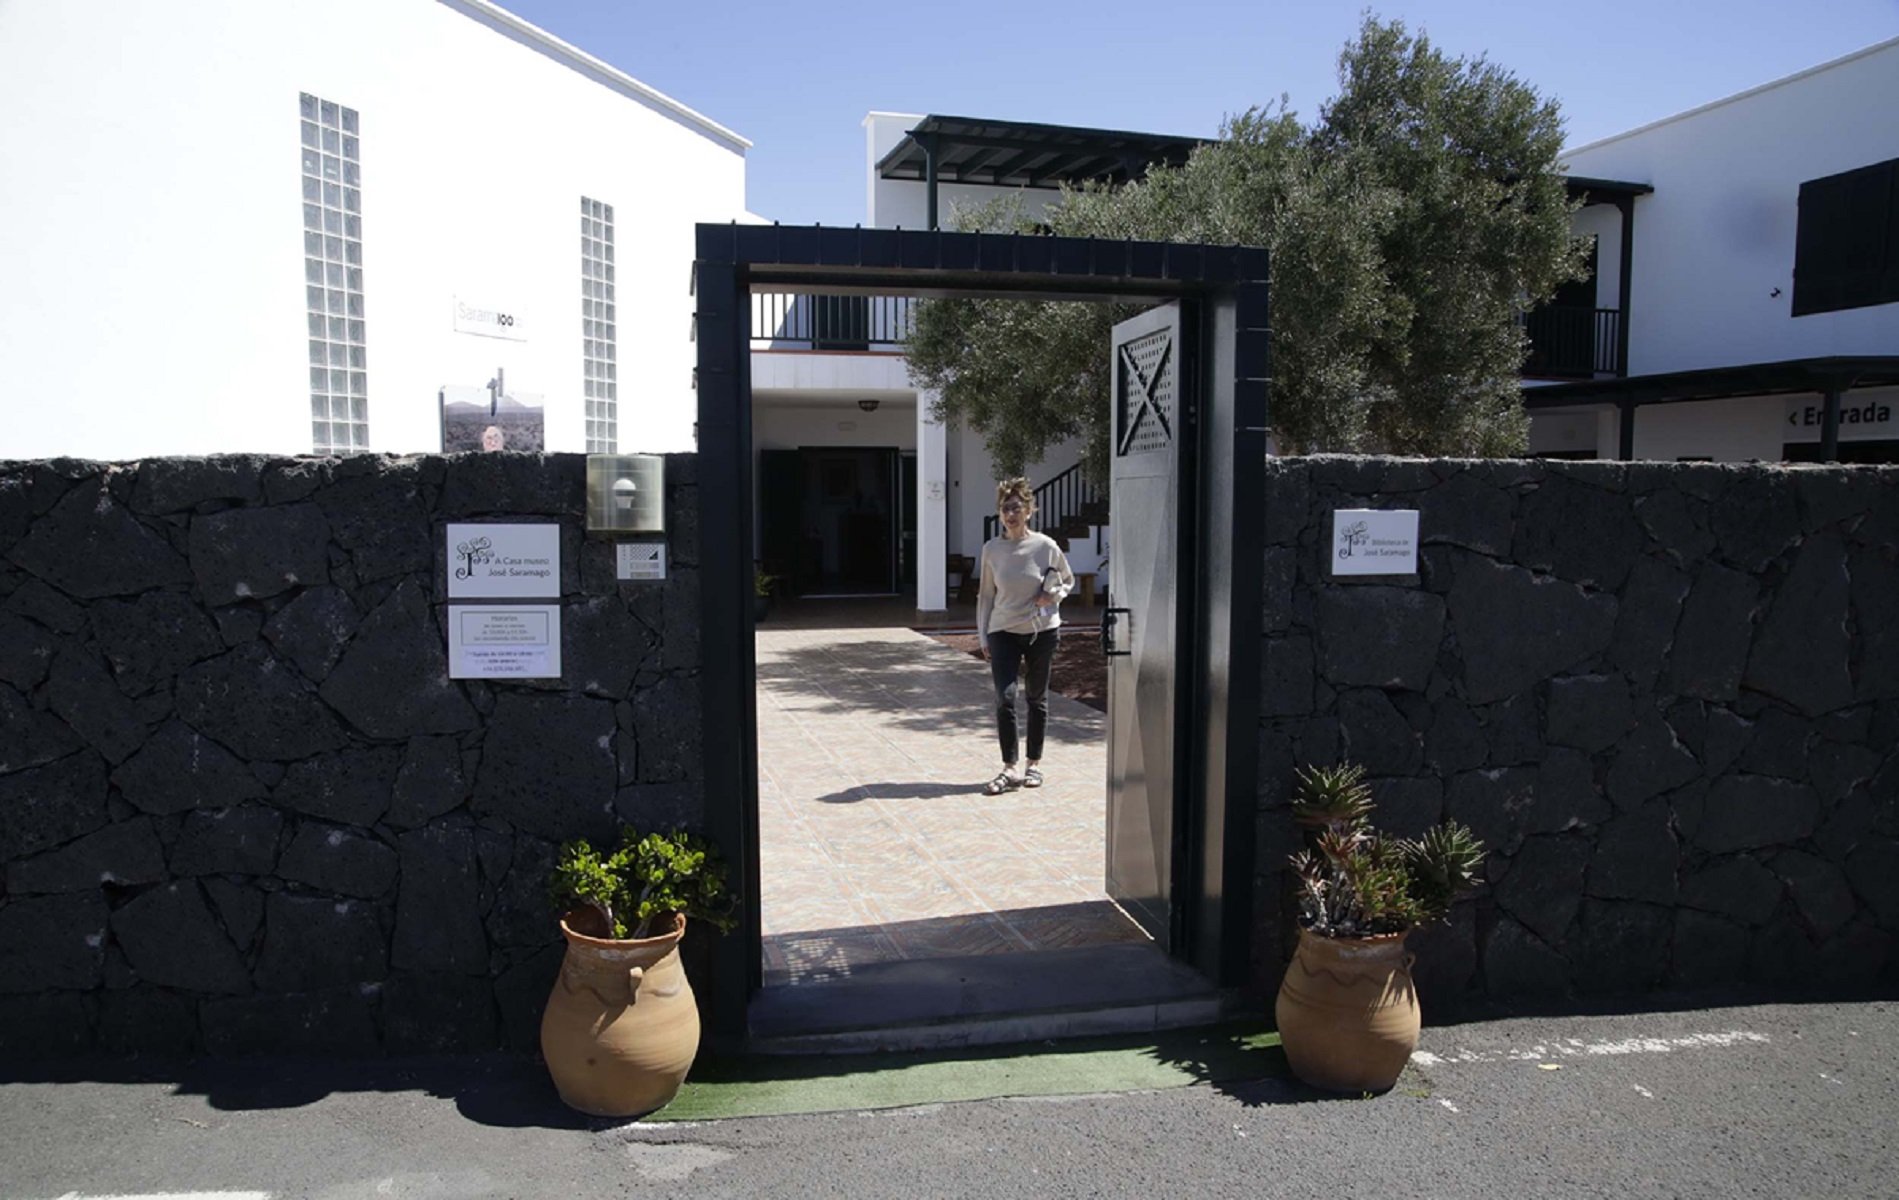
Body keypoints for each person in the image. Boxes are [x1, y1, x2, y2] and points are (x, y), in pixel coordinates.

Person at [976, 477, 1075, 795]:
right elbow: (986, 595)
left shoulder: (1046, 546)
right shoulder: (991, 549)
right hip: (1002, 631)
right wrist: (982, 636)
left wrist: (1053, 596)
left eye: (1016, 508)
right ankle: (1010, 767)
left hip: (1041, 632)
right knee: (1005, 698)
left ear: (1029, 511)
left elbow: (1067, 580)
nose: (1010, 514)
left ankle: (1034, 764)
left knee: (1036, 698)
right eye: (1005, 509)